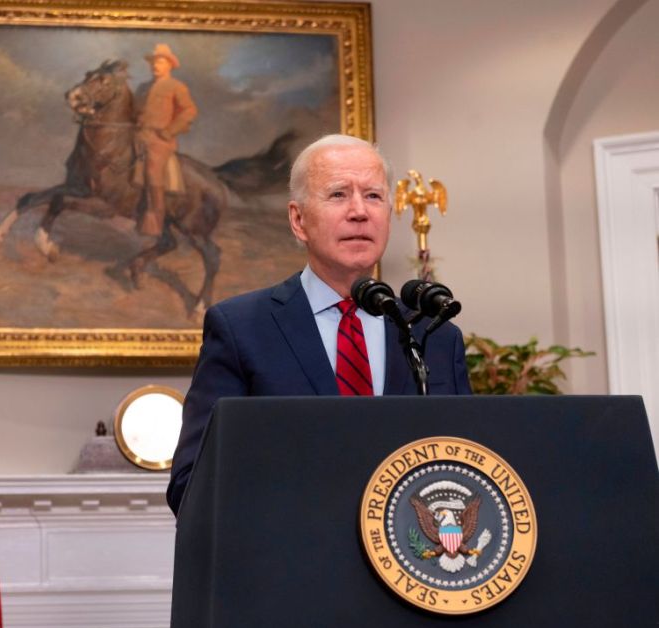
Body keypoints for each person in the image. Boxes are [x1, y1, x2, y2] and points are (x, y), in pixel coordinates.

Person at [166, 134, 472, 516]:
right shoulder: (241, 328)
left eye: (374, 196)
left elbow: (464, 471)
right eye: (339, 195)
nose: (359, 211)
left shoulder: (435, 334)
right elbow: (192, 483)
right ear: (298, 220)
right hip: (291, 561)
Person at [135, 43, 198, 236]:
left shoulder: (176, 87)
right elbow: (135, 112)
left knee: (153, 170)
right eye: (153, 62)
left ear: (169, 65)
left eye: (160, 62)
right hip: (138, 135)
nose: (155, 66)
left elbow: (190, 111)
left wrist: (170, 131)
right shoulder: (143, 87)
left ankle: (155, 219)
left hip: (160, 140)